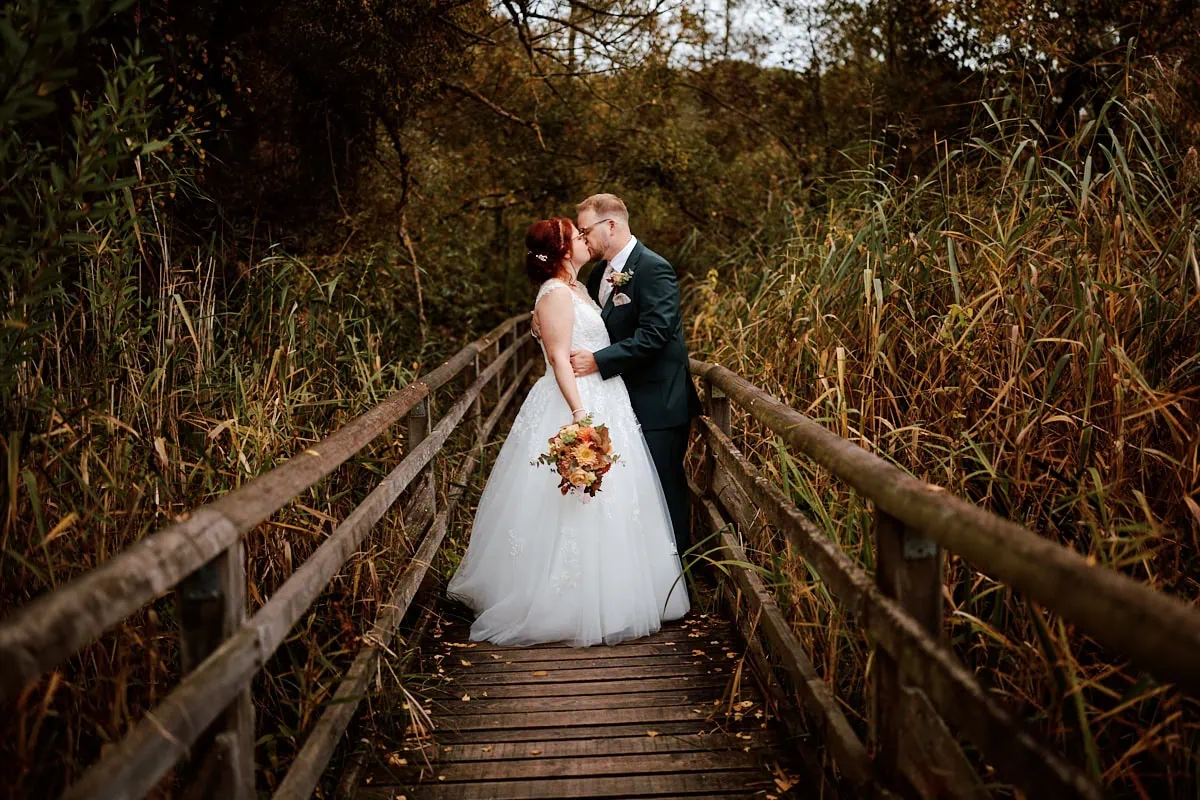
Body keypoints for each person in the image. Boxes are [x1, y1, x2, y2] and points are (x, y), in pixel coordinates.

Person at [446, 217, 690, 647]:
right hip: (580, 399)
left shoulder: (583, 286)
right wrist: (579, 413)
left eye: (583, 232)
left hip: (609, 397)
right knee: (575, 496)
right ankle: (569, 601)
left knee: (619, 496)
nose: (583, 240)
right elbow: (560, 358)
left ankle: (624, 592)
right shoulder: (557, 293)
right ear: (561, 252)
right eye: (576, 237)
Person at [569, 193, 702, 555]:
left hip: (659, 402)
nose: (582, 239)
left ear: (610, 225)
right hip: (620, 403)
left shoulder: (653, 268)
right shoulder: (599, 273)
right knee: (634, 494)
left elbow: (657, 334)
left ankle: (679, 583)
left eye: (585, 231)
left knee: (664, 491)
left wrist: (598, 360)